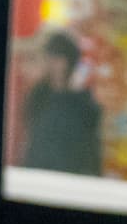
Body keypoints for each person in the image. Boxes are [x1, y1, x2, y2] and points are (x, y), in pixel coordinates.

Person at [19, 27, 105, 176]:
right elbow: (32, 146)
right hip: (35, 182)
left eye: (47, 57)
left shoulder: (82, 109)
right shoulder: (38, 98)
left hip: (65, 187)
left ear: (62, 62)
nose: (43, 62)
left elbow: (90, 158)